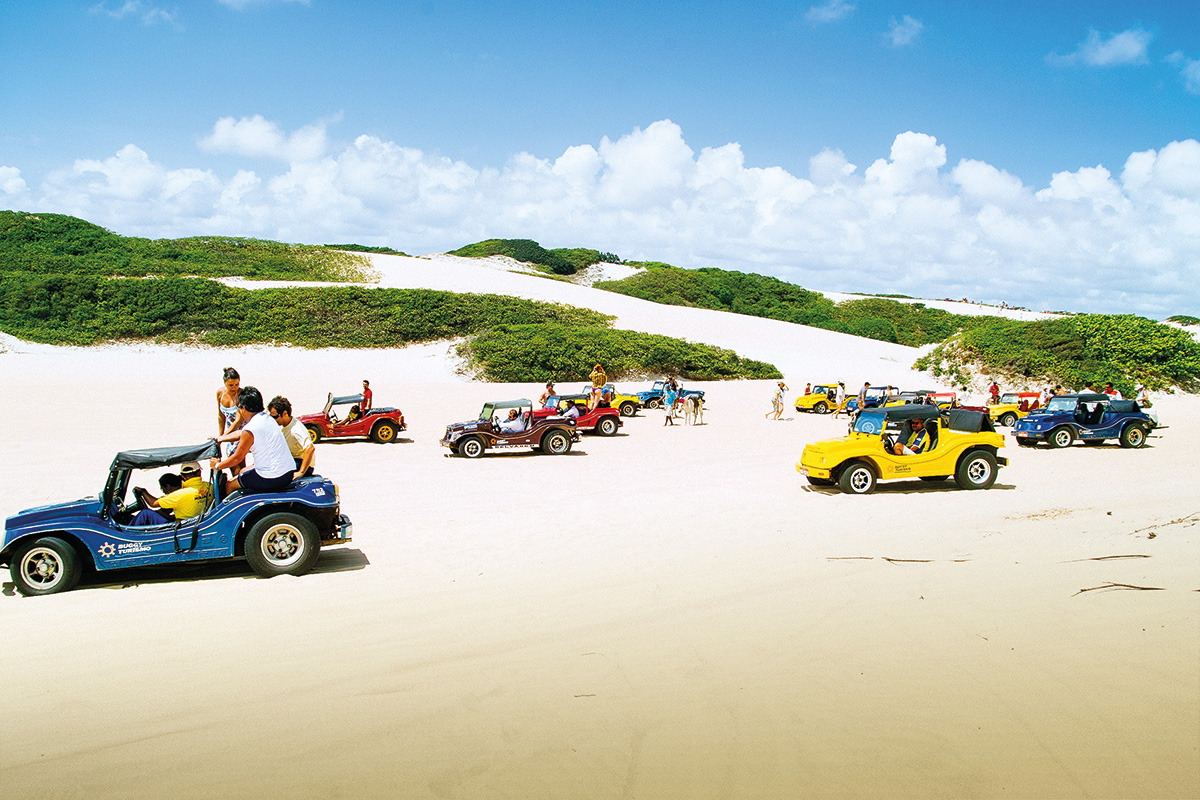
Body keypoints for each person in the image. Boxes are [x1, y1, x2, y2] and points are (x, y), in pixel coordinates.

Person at [210, 386, 296, 493]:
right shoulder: (267, 418)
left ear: (244, 408)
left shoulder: (251, 429)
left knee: (230, 485)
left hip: (272, 477)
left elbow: (237, 458)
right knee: (243, 471)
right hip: (286, 472)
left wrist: (217, 466)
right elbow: (241, 433)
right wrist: (221, 438)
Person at [131, 462, 211, 526]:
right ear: (199, 472)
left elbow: (153, 503)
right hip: (198, 523)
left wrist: (143, 491)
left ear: (182, 476)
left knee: (145, 513)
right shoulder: (210, 487)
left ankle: (125, 535)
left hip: (182, 527)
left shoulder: (180, 494)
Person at [268, 395, 316, 479]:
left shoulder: (296, 429)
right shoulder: (283, 425)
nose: (273, 419)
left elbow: (310, 448)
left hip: (300, 463)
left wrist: (300, 472)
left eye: (275, 417)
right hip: (291, 460)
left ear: (285, 413)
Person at [216, 367, 245, 465]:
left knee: (236, 460)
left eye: (237, 384)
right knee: (231, 460)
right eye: (231, 385)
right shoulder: (220, 393)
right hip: (230, 432)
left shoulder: (241, 395)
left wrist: (223, 437)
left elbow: (238, 420)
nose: (234, 388)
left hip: (242, 431)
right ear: (224, 383)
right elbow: (221, 415)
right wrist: (221, 435)